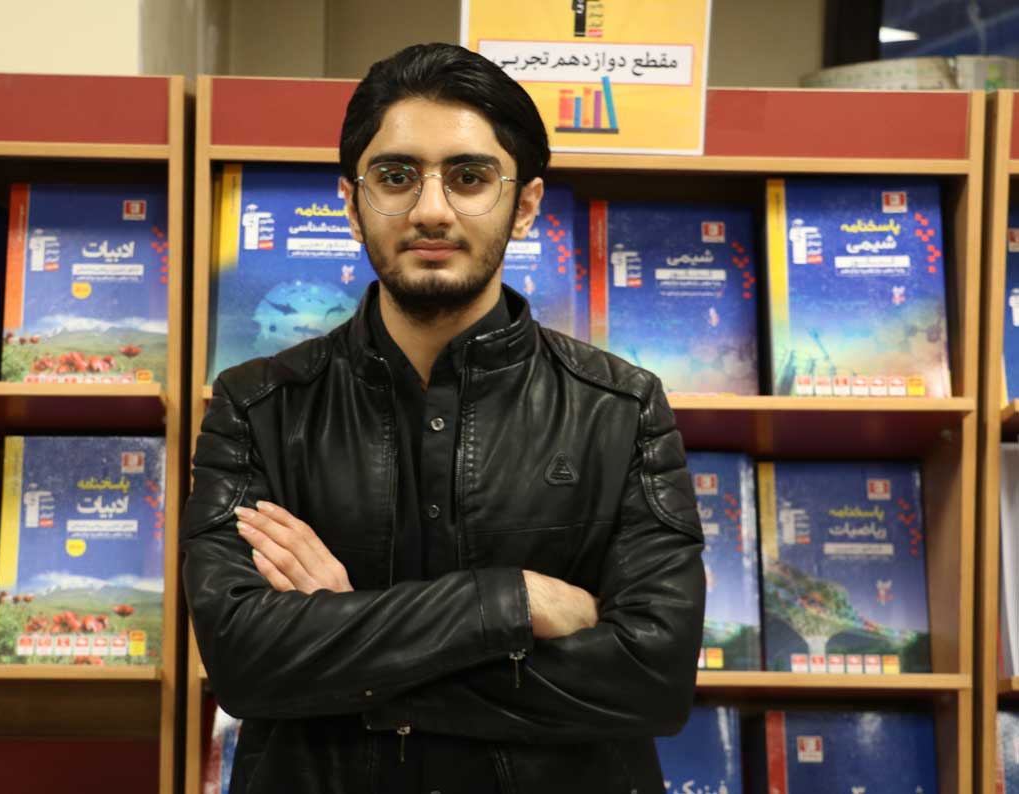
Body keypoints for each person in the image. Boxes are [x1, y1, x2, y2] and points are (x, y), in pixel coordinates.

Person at [182, 42, 705, 794]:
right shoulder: (259, 406)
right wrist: (511, 601)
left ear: (525, 204)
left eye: (469, 177)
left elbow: (651, 679)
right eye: (397, 176)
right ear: (352, 202)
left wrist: (344, 641)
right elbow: (245, 665)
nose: (431, 210)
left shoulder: (620, 409)